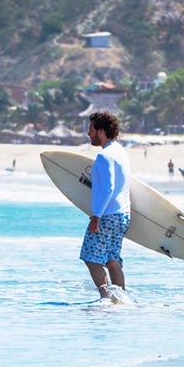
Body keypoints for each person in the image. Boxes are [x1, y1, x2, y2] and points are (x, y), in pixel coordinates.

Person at [81, 111, 132, 302]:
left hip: (107, 215)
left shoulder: (104, 156)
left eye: (91, 130)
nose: (89, 134)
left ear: (101, 130)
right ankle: (121, 298)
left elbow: (109, 187)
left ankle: (106, 297)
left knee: (91, 257)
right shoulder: (121, 152)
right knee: (112, 260)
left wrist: (96, 216)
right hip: (123, 214)